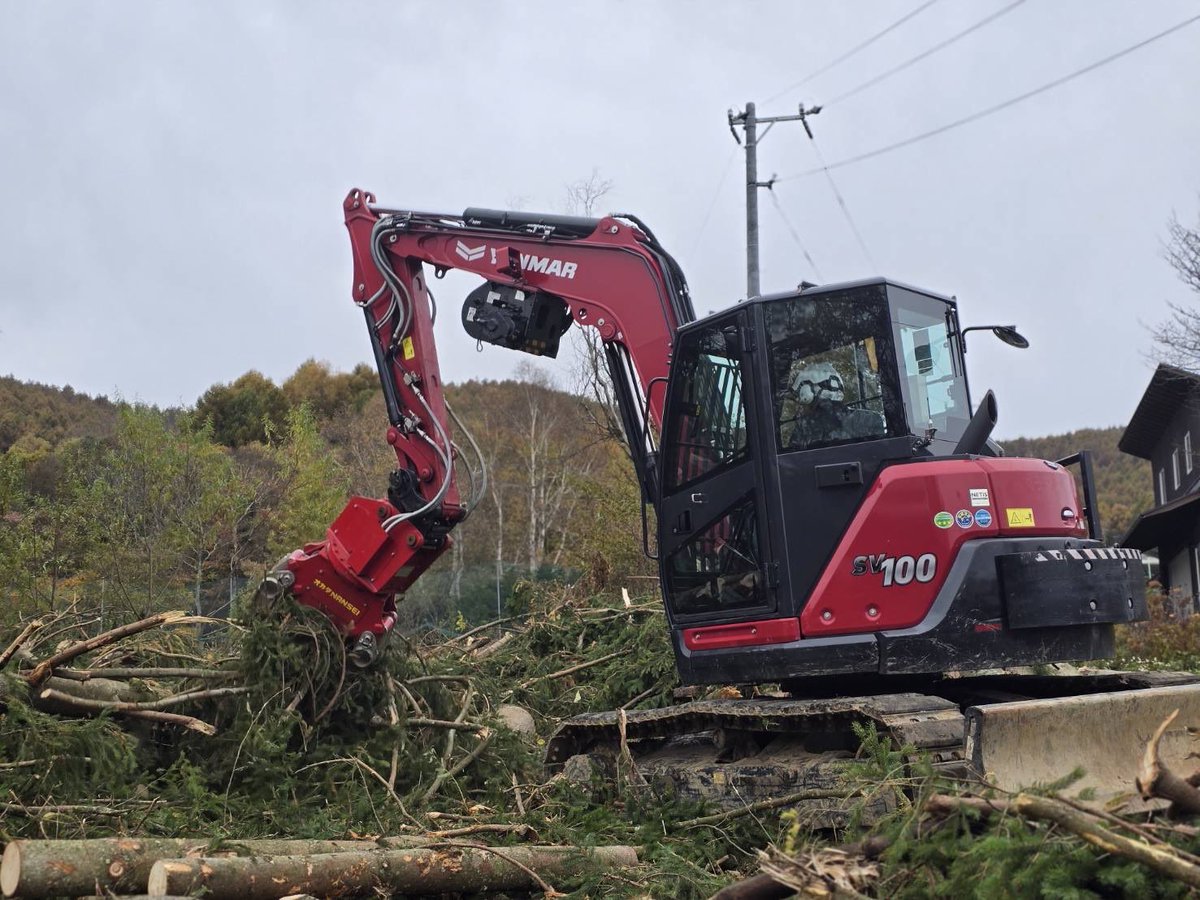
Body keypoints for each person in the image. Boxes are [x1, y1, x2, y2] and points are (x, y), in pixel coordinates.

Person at [786, 360, 884, 449]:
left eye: (800, 400)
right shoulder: (872, 419)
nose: (799, 407)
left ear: (806, 394)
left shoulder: (805, 428)